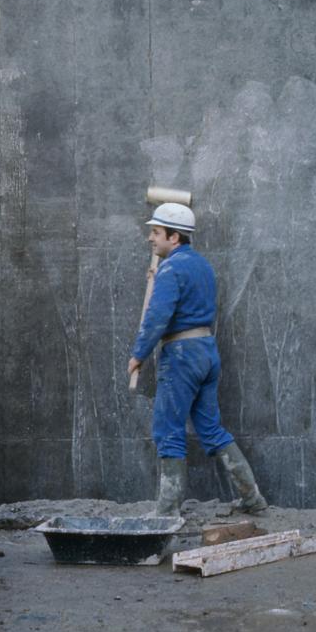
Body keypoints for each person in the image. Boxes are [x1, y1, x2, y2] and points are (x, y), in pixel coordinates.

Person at [127, 202, 267, 517]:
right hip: (206, 350)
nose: (151, 238)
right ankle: (253, 499)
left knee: (168, 430)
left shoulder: (171, 270)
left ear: (174, 237)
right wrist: (160, 274)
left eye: (156, 232)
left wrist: (139, 355)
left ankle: (166, 512)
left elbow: (157, 317)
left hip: (181, 356)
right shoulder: (201, 265)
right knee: (211, 429)